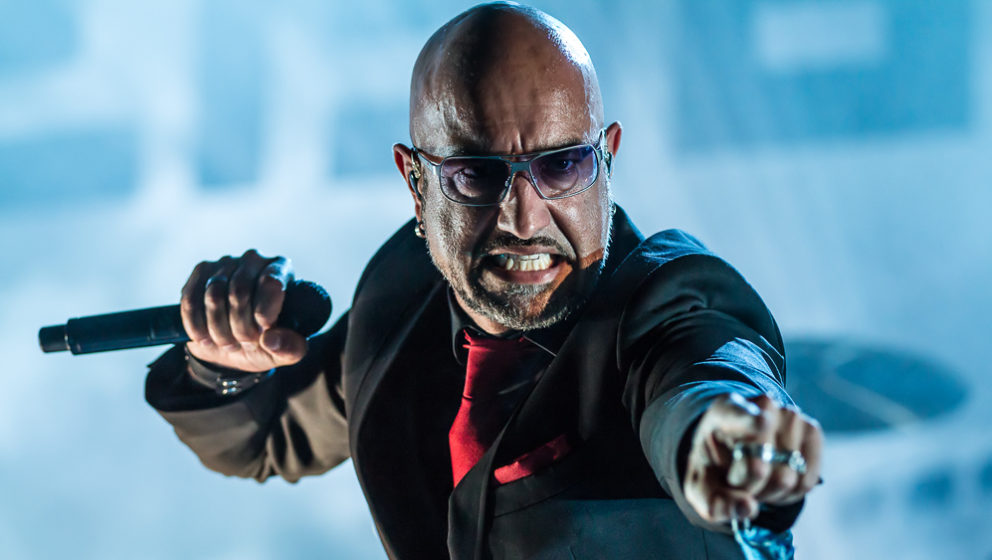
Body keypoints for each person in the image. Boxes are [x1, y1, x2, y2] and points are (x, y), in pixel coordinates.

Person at [145, 3, 823, 558]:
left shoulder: (666, 305)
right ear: (416, 183)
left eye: (562, 166)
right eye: (476, 174)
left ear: (606, 161)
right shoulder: (401, 302)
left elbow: (704, 375)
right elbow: (265, 438)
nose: (525, 218)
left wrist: (723, 440)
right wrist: (221, 365)